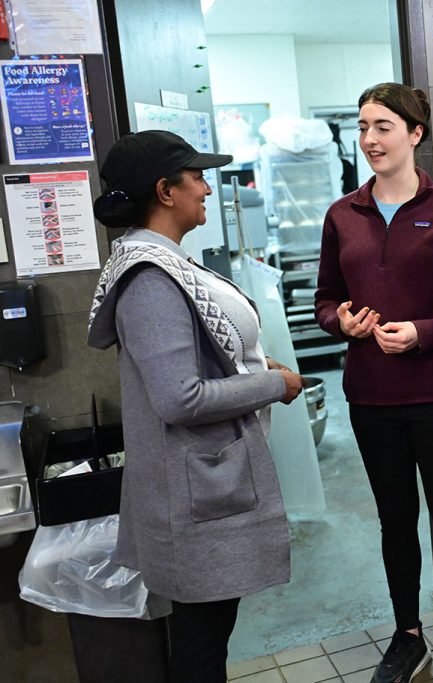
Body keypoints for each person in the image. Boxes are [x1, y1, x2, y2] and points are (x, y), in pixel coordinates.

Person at [87, 130, 304, 682]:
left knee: (207, 635)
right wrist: (274, 386)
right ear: (165, 191)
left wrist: (260, 366)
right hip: (194, 493)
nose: (207, 188)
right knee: (201, 644)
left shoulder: (165, 261)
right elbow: (180, 396)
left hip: (202, 485)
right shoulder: (150, 279)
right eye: (197, 178)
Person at [314, 83, 433, 683]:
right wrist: (340, 321)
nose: (369, 139)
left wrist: (424, 332)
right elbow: (325, 298)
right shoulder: (343, 214)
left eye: (384, 126)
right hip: (371, 399)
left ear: (416, 134)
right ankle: (408, 635)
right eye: (362, 126)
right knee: (393, 520)